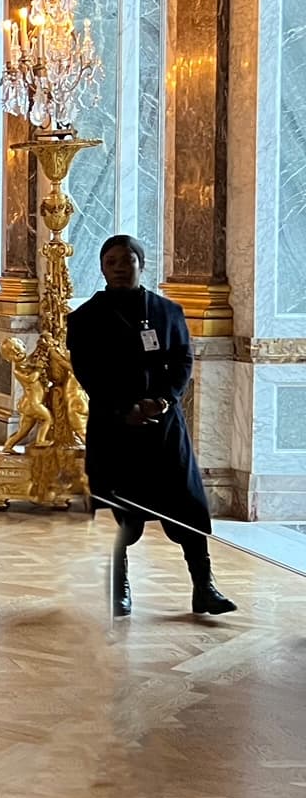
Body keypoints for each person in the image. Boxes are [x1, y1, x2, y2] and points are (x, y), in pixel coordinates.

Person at [68, 233, 236, 619]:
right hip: (114, 427)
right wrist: (123, 408)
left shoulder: (167, 312)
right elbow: (88, 372)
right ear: (102, 268)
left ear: (141, 264)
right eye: (111, 262)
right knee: (118, 508)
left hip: (164, 426)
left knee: (188, 506)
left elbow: (182, 361)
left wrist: (162, 399)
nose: (120, 268)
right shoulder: (85, 318)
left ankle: (204, 586)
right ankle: (119, 588)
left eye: (127, 261)